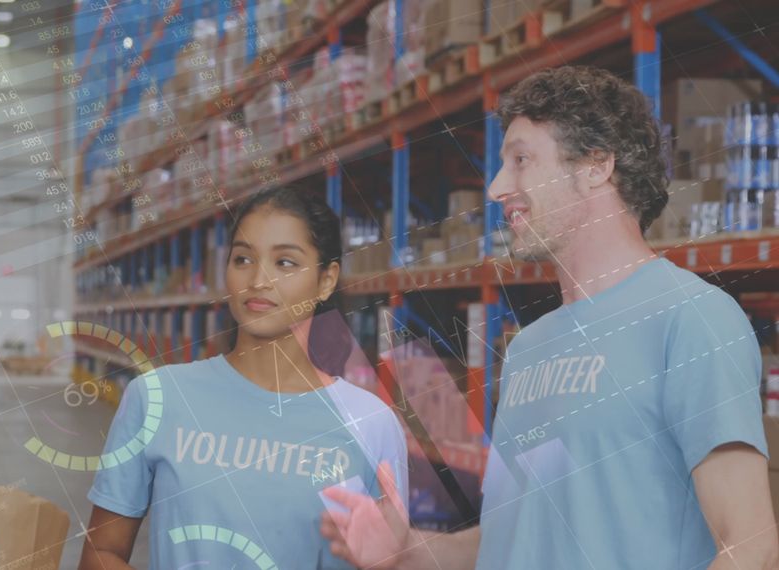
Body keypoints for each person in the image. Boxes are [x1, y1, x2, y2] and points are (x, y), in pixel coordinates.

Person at [321, 65, 779, 569]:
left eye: (521, 160)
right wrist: (406, 551)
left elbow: (751, 548)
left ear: (595, 165)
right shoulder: (527, 348)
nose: (496, 187)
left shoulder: (690, 319)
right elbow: (509, 541)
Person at [79, 186, 409, 569]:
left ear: (326, 280)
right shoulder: (158, 398)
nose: (258, 279)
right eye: (243, 259)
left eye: (285, 262)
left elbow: (392, 557)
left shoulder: (370, 423)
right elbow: (101, 553)